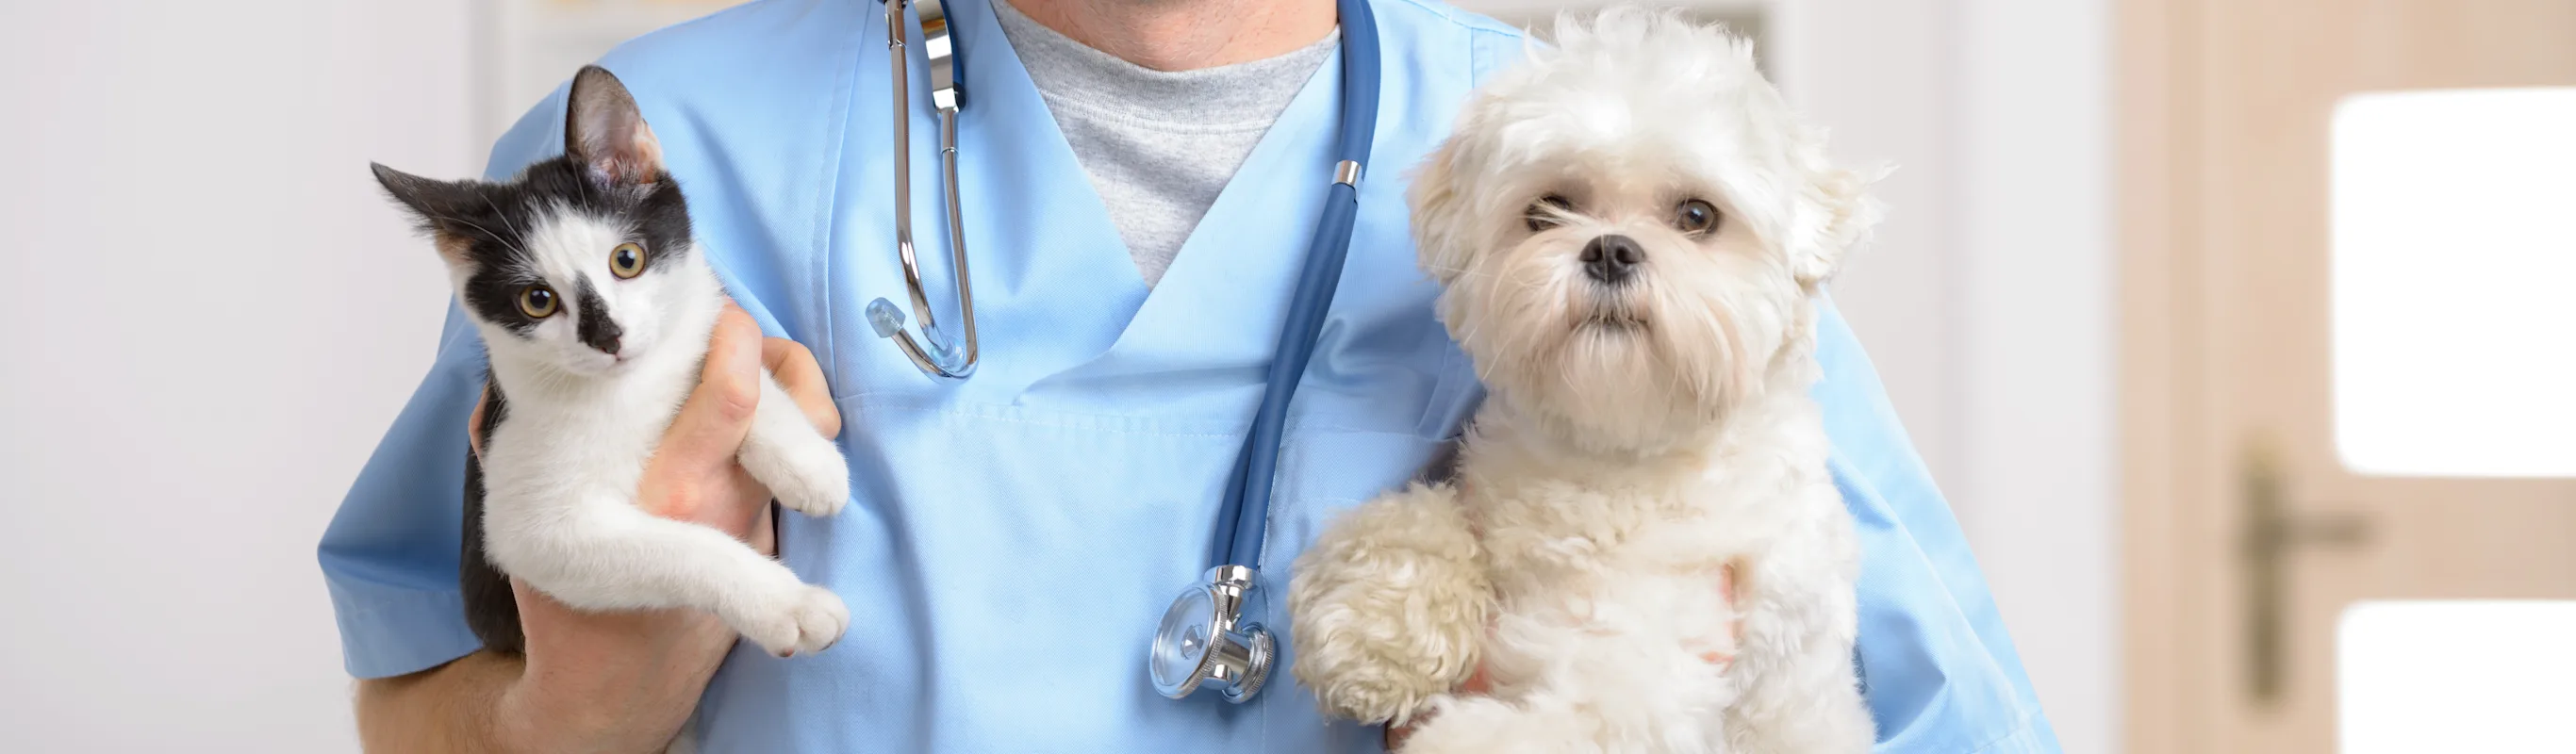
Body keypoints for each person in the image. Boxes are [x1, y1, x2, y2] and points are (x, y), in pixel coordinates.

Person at [321, 0, 2061, 750]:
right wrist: (575, 721)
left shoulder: (1586, 147)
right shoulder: (670, 156)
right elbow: (416, 706)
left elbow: (1912, 714)